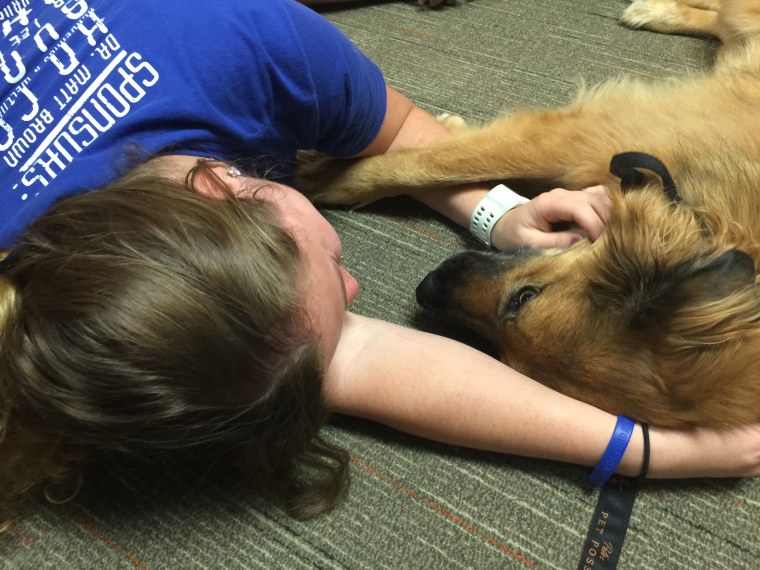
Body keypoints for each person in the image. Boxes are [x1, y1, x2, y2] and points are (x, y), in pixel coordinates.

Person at [0, 0, 759, 522]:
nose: (361, 287)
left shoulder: (261, 41)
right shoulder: (82, 284)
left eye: (334, 268)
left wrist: (501, 216)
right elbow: (343, 349)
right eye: (341, 284)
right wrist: (645, 452)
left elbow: (398, 140)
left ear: (232, 181)